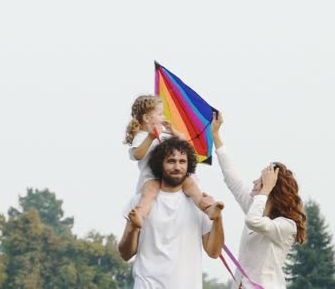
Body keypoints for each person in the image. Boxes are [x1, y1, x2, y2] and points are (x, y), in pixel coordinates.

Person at [211, 112, 306, 289]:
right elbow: (233, 179)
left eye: (260, 181)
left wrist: (266, 189)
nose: (254, 183)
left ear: (271, 189)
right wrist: (216, 136)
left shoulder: (286, 225)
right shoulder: (255, 209)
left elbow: (253, 221)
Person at [118, 137, 225, 289]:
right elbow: (125, 254)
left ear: (188, 166)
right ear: (160, 164)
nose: (177, 166)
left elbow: (214, 252)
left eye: (182, 161)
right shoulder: (140, 202)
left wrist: (218, 219)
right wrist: (133, 229)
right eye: (171, 161)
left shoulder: (200, 204)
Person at [124, 94, 222, 227]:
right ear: (147, 118)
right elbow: (137, 155)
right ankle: (140, 216)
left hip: (173, 177)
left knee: (191, 185)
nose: (163, 117)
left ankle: (208, 208)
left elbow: (183, 144)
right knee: (148, 194)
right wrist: (150, 138)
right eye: (160, 114)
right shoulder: (142, 137)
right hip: (152, 178)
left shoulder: (165, 134)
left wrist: (173, 131)